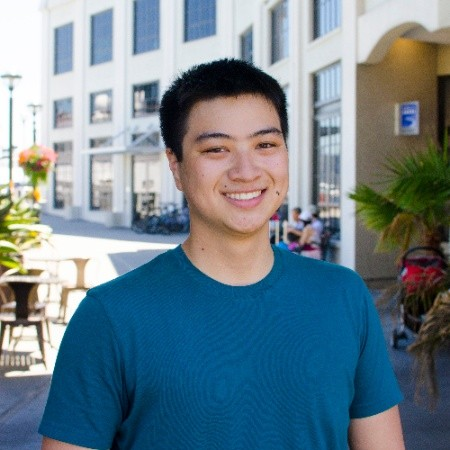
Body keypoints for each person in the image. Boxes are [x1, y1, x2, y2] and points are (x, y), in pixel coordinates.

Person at [39, 59, 405, 449]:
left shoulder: (343, 295)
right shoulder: (110, 317)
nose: (246, 171)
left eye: (265, 144)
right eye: (216, 149)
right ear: (176, 167)